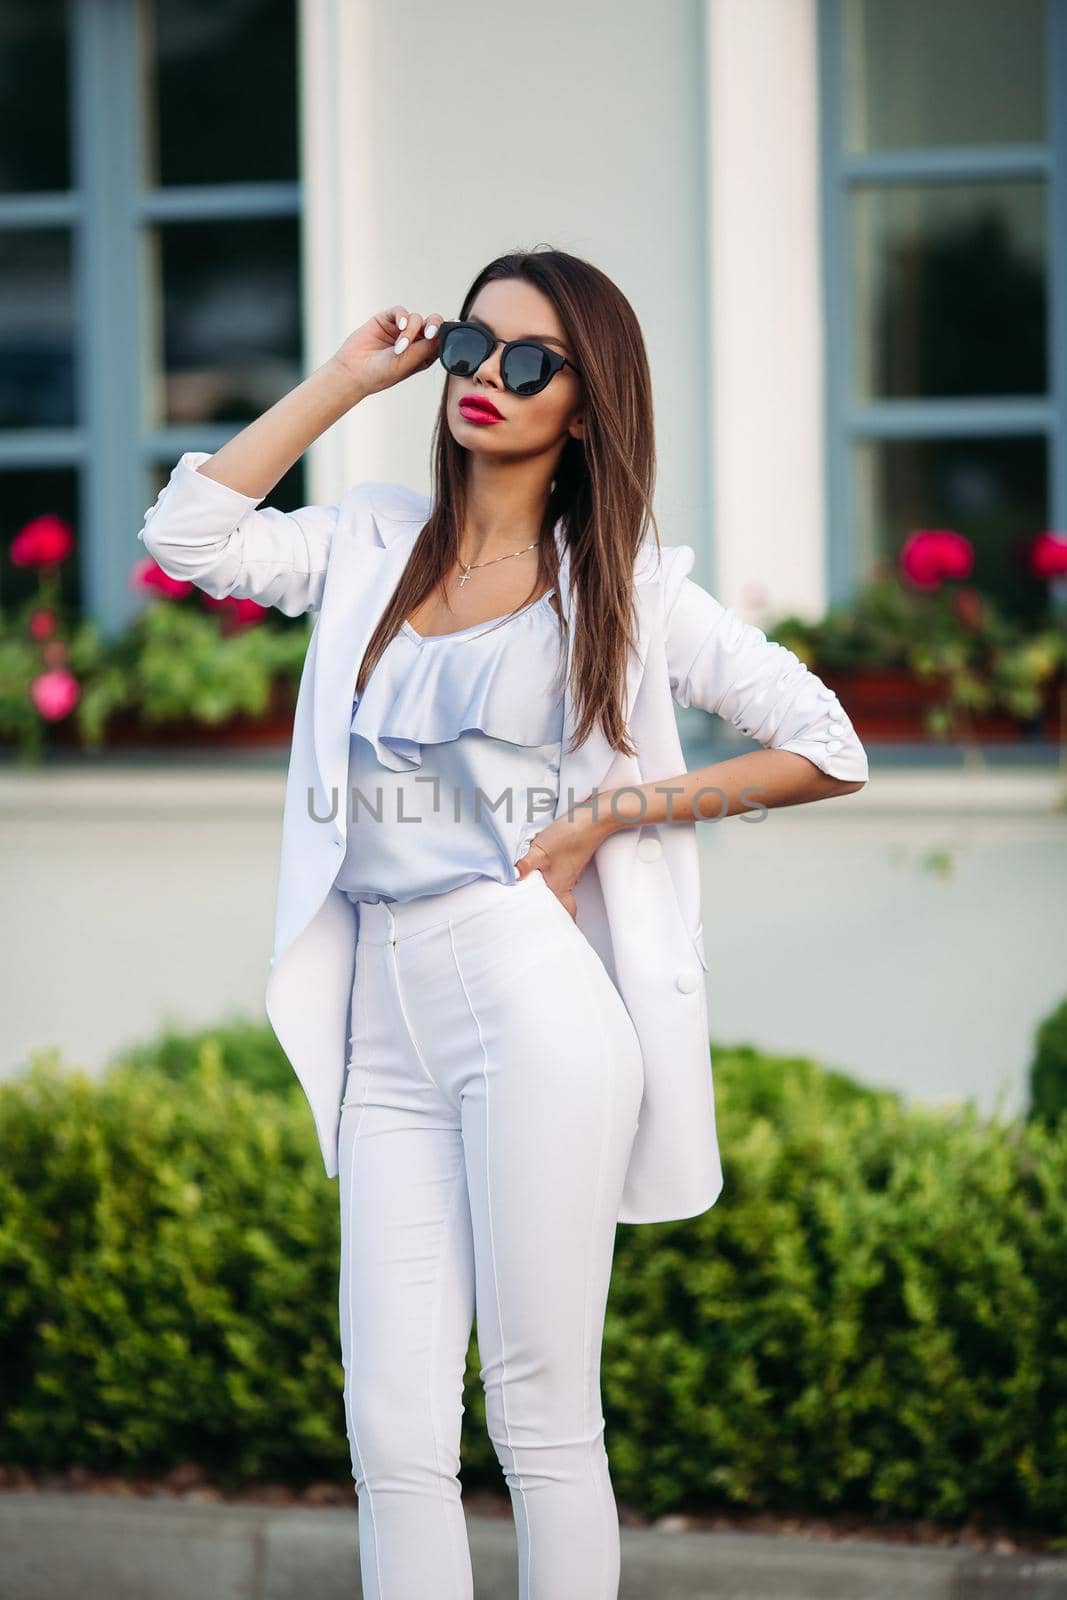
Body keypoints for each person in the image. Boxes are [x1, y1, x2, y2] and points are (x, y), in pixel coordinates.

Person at [138, 246, 869, 1600]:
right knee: (393, 1432)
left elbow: (829, 747)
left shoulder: (628, 583)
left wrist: (613, 814)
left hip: (528, 993)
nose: (487, 376)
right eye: (475, 344)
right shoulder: (366, 539)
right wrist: (348, 380)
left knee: (540, 1418)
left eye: (530, 362)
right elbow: (187, 536)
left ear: (582, 408)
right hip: (385, 1015)